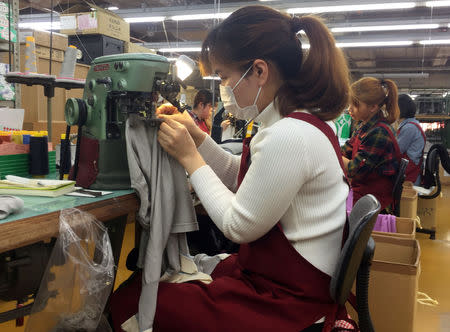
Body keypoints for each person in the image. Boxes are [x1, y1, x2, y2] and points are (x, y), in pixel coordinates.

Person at [113, 5, 353, 331]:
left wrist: (189, 158)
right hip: (279, 280)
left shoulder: (289, 135)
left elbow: (238, 225)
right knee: (159, 279)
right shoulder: (294, 124)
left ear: (259, 71)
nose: (223, 88)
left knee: (137, 300)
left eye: (224, 77)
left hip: (290, 303)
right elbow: (241, 177)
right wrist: (198, 139)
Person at [341, 77, 401, 211]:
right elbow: (346, 149)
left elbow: (353, 170)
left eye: (355, 105)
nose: (349, 109)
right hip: (364, 194)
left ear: (373, 107)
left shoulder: (379, 132)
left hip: (374, 204)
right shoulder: (363, 127)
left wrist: (331, 153)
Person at [397, 94, 426, 184]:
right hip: (410, 171)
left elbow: (397, 151)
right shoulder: (412, 124)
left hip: (408, 175)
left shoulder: (409, 128)